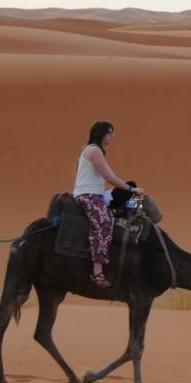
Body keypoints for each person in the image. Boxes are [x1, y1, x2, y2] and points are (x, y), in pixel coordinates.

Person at [73, 121, 144, 288]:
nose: (113, 136)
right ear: (101, 134)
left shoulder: (94, 150)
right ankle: (97, 271)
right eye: (110, 133)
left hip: (97, 194)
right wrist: (132, 189)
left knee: (129, 190)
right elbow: (110, 177)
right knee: (105, 224)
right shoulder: (94, 150)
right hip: (88, 195)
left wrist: (131, 188)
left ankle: (137, 210)